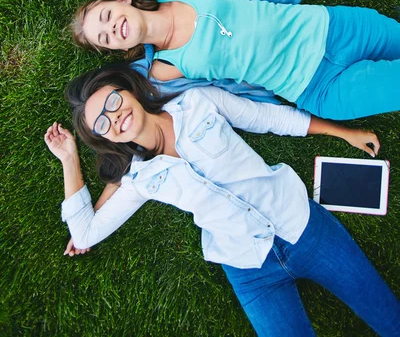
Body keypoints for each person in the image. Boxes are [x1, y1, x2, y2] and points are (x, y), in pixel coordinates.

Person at [44, 66, 399, 336]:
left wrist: (343, 131)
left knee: (390, 319)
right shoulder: (139, 180)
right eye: (102, 123)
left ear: (130, 92)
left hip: (304, 227)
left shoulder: (197, 102)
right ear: (105, 139)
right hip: (249, 269)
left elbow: (268, 118)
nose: (115, 116)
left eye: (113, 101)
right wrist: (68, 160)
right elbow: (85, 232)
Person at [71, 0, 400, 121]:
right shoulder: (163, 69)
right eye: (105, 37)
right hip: (316, 87)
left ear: (121, 1)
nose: (112, 28)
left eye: (106, 17)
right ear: (115, 48)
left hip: (332, 28)